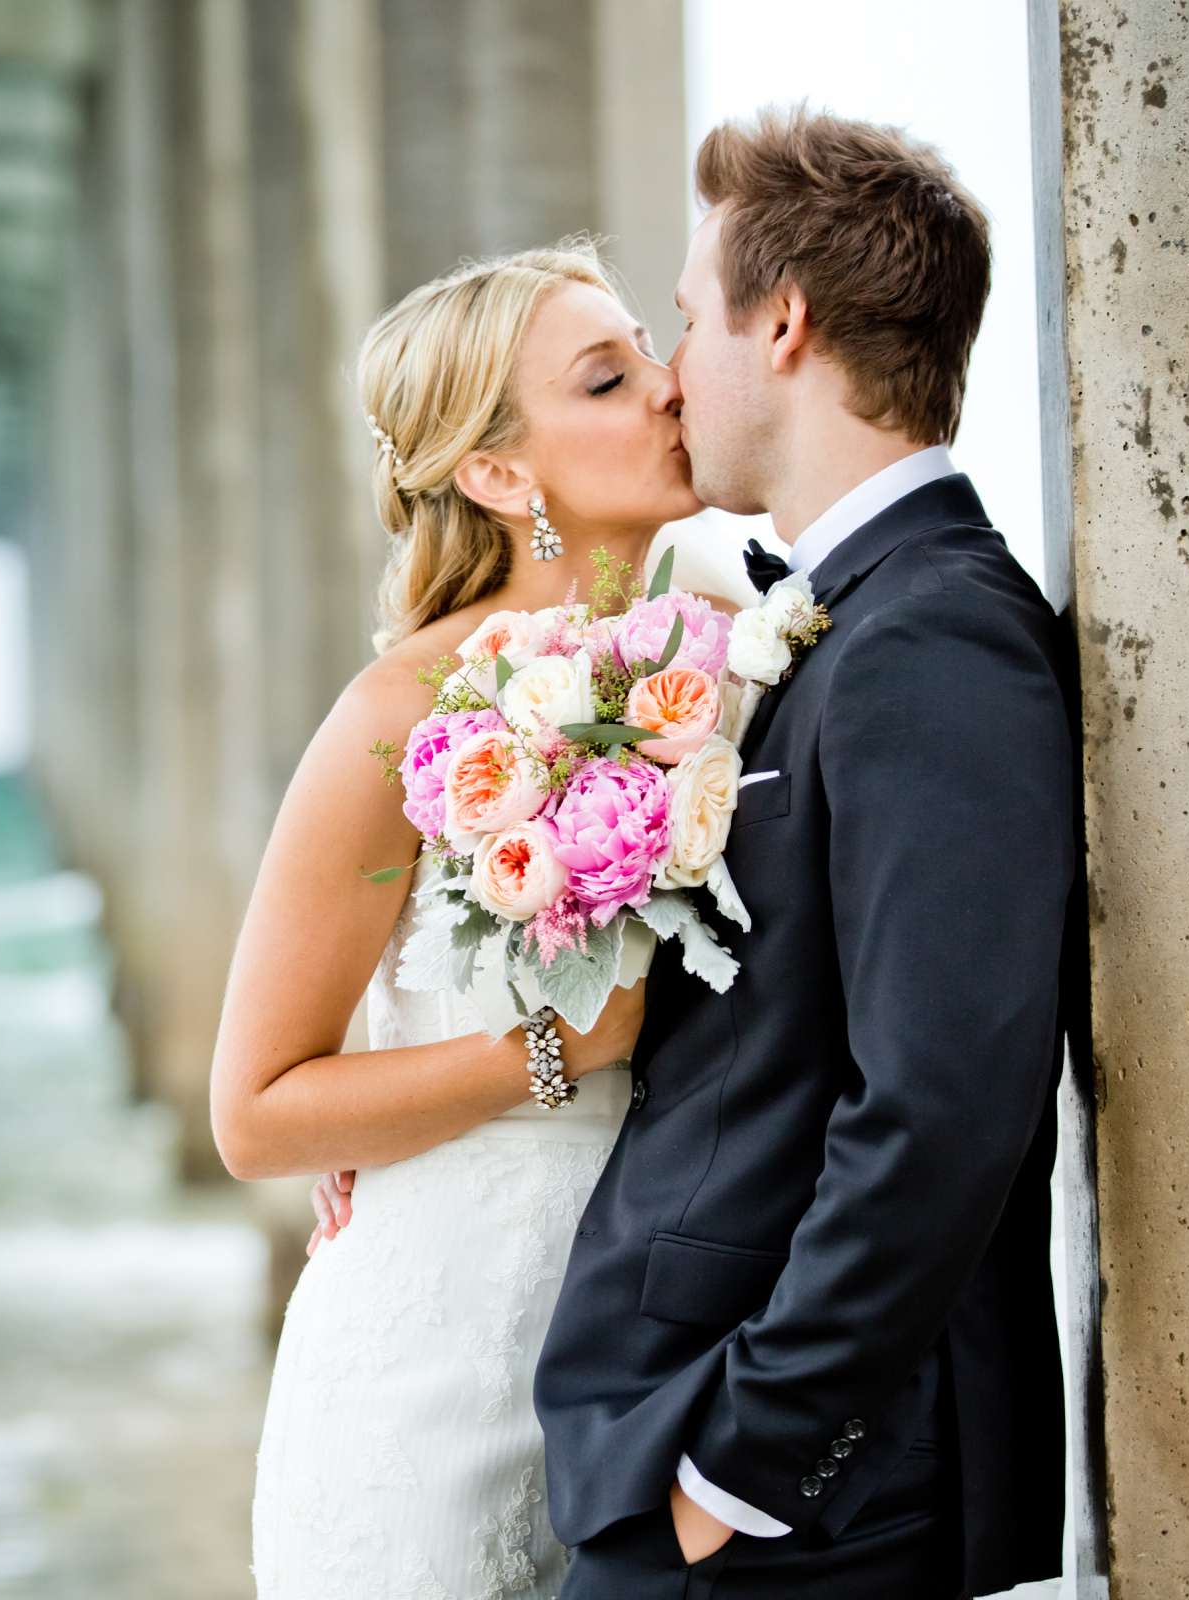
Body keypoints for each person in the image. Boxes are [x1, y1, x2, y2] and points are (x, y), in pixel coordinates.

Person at [531, 108, 1076, 1597]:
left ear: (783, 322)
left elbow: (945, 1100)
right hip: (702, 1442)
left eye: (691, 319)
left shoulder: (938, 633)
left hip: (807, 1501)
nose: (671, 373)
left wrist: (750, 1466)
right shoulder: (843, 616)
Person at [213, 239, 734, 1597]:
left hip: (669, 1349)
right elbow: (256, 1109)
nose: (671, 390)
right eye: (609, 378)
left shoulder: (736, 654)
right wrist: (548, 1054)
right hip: (431, 1368)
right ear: (502, 475)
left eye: (650, 353)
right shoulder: (405, 714)